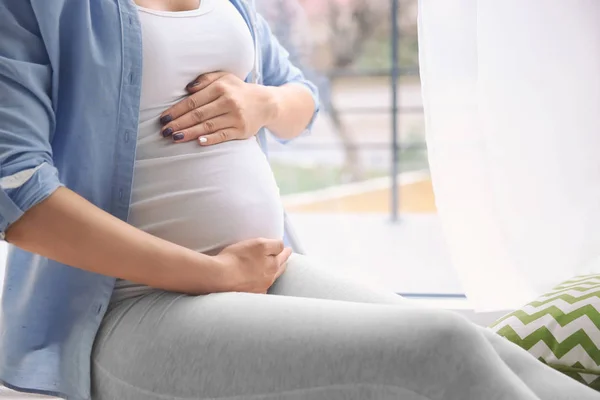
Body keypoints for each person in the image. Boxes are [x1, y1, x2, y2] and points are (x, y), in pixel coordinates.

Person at [0, 1, 597, 400]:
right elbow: (21, 198)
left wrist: (260, 104)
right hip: (130, 308)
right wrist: (212, 275)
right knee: (442, 349)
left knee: (477, 342)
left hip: (262, 271)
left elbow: (299, 99)